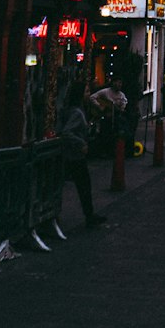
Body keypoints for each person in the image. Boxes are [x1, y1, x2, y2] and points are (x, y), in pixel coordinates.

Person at [58, 82, 106, 229]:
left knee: (81, 185)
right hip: (75, 156)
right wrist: (81, 143)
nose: (88, 94)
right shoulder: (77, 113)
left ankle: (89, 215)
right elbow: (67, 132)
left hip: (70, 155)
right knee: (84, 185)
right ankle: (89, 216)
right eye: (86, 92)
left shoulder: (75, 110)